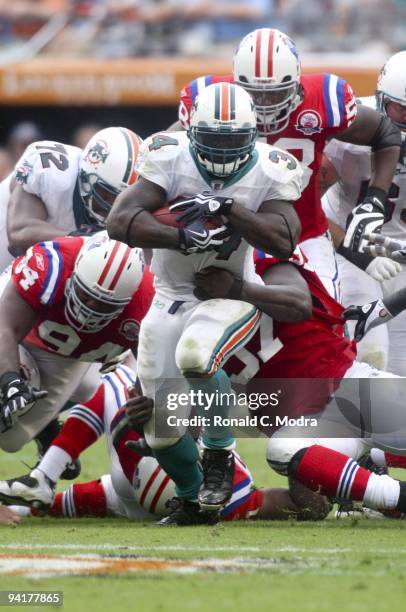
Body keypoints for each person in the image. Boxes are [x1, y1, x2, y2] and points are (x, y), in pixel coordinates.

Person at [107, 81, 303, 525]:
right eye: (212, 141)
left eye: (232, 141)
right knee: (160, 430)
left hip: (227, 295)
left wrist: (230, 207)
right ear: (192, 131)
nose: (221, 152)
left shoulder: (271, 170)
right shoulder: (168, 155)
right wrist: (182, 234)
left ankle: (220, 456)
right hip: (168, 296)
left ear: (252, 137)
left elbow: (285, 240)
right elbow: (119, 221)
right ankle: (195, 501)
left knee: (196, 355)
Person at [177, 28, 401, 297]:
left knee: (322, 322)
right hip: (228, 236)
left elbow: (385, 133)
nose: (263, 104)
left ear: (296, 82)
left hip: (305, 235)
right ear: (236, 84)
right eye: (253, 94)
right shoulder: (213, 100)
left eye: (274, 94)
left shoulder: (324, 100)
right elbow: (172, 143)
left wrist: (375, 198)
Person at [193, 247, 406, 518]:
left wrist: (236, 288)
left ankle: (374, 463)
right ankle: (396, 497)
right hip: (313, 423)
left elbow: (298, 301)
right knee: (283, 450)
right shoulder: (179, 310)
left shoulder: (257, 257)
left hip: (350, 387)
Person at [1, 366, 321, 523]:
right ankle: (42, 478)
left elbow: (301, 505)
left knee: (118, 380)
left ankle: (44, 475)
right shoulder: (232, 496)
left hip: (129, 493)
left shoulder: (234, 497)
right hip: (141, 491)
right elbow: (303, 506)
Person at [0, 231, 153, 459]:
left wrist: (155, 417)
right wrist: (10, 380)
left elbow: (156, 369)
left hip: (72, 356)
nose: (91, 308)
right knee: (11, 383)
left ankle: (47, 427)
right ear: (75, 272)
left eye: (105, 305)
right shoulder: (52, 264)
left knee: (11, 439)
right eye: (87, 294)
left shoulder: (148, 303)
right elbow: (6, 327)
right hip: (27, 326)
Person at [322, 50, 406, 372]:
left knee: (398, 371)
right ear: (382, 101)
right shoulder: (350, 127)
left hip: (403, 257)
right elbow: (303, 209)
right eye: (401, 109)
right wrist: (352, 250)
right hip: (352, 249)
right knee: (370, 354)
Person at [0, 126, 142, 272]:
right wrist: (85, 240)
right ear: (86, 174)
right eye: (108, 194)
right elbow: (19, 233)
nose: (112, 205)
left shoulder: (141, 206)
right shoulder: (53, 171)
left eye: (122, 198)